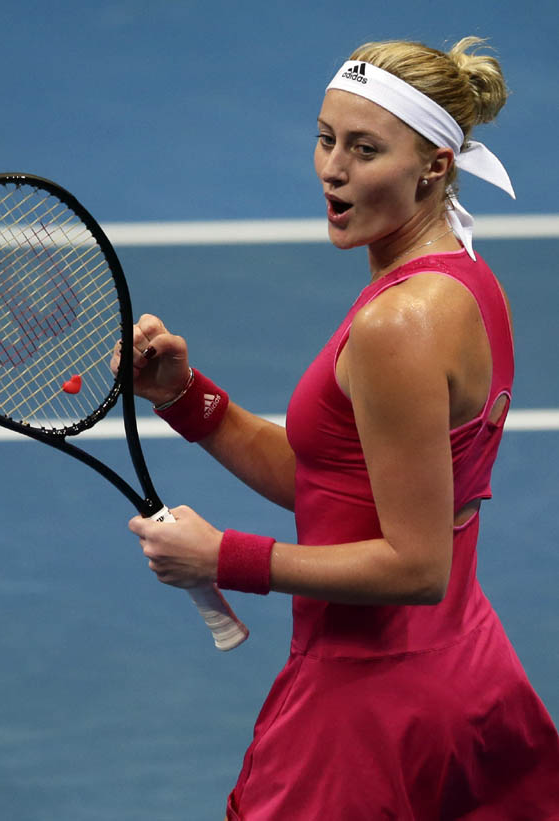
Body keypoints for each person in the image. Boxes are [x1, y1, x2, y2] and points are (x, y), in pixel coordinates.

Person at [112, 37, 559, 819]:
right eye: (326, 138)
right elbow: (340, 488)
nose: (332, 169)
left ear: (435, 165)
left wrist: (226, 557)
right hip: (464, 674)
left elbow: (415, 565)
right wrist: (187, 398)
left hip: (365, 709)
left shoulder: (399, 324)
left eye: (364, 149)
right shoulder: (467, 283)